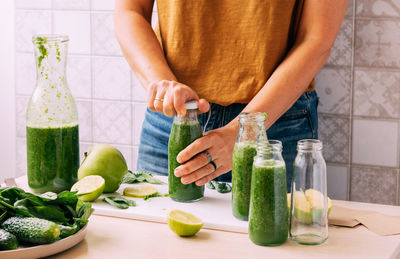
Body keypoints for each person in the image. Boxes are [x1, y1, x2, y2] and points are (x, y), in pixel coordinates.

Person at [115, 0, 347, 190]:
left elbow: (315, 39)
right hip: (171, 120)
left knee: (272, 246)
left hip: (274, 125)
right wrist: (162, 85)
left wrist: (245, 131)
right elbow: (130, 11)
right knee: (156, 242)